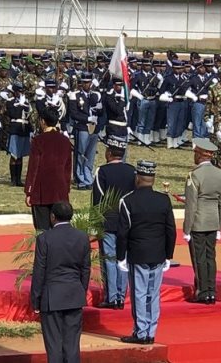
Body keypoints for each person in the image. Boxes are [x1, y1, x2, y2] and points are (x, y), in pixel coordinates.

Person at [116, 160, 176, 345]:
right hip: (158, 254)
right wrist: (168, 255)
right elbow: (170, 230)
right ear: (153, 179)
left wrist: (120, 257)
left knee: (140, 294)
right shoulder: (163, 199)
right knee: (154, 294)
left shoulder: (127, 201)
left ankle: (141, 332)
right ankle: (150, 331)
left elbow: (123, 232)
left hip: (138, 254)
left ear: (137, 178)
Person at [30, 201, 91, 363]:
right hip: (74, 295)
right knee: (72, 344)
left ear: (52, 217)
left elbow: (39, 271)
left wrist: (36, 300)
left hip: (52, 298)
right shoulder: (82, 237)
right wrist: (81, 291)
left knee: (54, 345)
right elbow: (85, 270)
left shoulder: (45, 238)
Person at [93, 135, 136, 309]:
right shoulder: (132, 171)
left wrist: (95, 225)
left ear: (109, 153)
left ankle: (111, 297)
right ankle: (120, 296)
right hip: (128, 221)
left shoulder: (102, 172)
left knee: (109, 259)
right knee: (123, 259)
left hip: (108, 222)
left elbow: (97, 201)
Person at [183, 138, 221, 305]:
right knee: (210, 257)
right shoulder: (220, 174)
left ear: (200, 155)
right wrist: (220, 226)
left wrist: (187, 229)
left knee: (199, 258)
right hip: (213, 221)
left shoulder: (194, 175)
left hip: (198, 222)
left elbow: (191, 205)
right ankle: (211, 291)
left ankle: (202, 291)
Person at [25, 108, 73, 229]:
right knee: (60, 228)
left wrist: (29, 191)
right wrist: (66, 189)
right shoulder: (65, 141)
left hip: (41, 190)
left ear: (42, 121)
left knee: (42, 229)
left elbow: (33, 167)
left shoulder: (38, 141)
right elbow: (68, 168)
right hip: (60, 189)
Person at [5, 82, 33, 186]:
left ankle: (18, 179)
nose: (21, 93)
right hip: (15, 129)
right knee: (14, 155)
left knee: (20, 155)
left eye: (22, 91)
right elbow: (13, 114)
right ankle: (13, 179)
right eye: (19, 91)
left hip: (24, 129)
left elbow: (29, 116)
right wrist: (20, 106)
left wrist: (31, 130)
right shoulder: (10, 102)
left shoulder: (26, 102)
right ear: (15, 92)